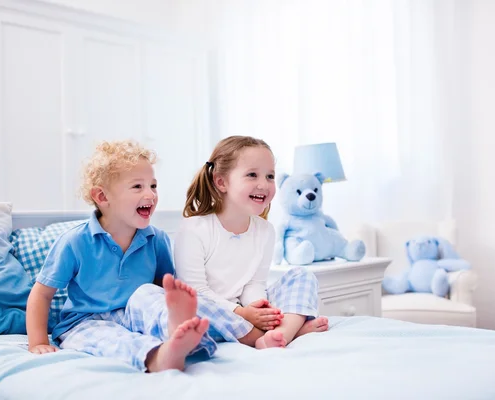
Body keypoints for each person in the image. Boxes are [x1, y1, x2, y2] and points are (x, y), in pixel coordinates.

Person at [26, 140, 225, 372]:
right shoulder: (75, 241)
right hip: (84, 321)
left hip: (132, 314)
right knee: (111, 339)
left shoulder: (156, 239)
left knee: (149, 294)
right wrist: (38, 342)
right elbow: (41, 295)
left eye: (153, 185)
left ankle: (174, 328)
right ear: (102, 197)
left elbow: (163, 289)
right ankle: (159, 356)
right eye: (137, 187)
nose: (150, 194)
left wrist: (168, 307)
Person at [174, 136, 329, 349]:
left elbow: (254, 284)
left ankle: (281, 333)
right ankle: (288, 331)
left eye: (270, 176)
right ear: (221, 182)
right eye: (252, 175)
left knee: (303, 276)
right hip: (214, 311)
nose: (263, 184)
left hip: (244, 309)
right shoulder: (193, 228)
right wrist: (243, 313)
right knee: (190, 304)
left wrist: (259, 308)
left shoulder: (265, 230)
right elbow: (195, 290)